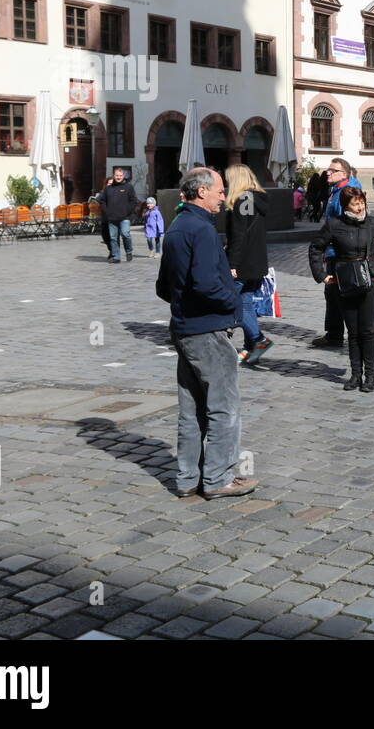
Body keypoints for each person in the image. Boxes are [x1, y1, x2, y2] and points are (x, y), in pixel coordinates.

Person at [155, 167, 257, 500]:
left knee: (191, 409)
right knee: (224, 408)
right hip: (208, 330)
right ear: (202, 192)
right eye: (219, 191)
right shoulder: (200, 229)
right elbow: (205, 283)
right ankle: (218, 479)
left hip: (185, 328)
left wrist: (185, 303)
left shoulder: (176, 227)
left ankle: (187, 479)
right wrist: (233, 304)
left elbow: (163, 287)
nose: (224, 197)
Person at [309, 186, 374, 393]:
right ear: (345, 205)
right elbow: (316, 248)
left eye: (362, 203)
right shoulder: (334, 224)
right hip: (345, 283)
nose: (360, 208)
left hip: (371, 283)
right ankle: (356, 374)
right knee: (353, 332)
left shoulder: (372, 223)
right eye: (355, 204)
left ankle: (370, 377)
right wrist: (322, 275)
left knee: (367, 331)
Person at [224, 164, 274, 365]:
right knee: (245, 302)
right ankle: (250, 347)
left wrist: (232, 263)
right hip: (256, 260)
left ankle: (258, 339)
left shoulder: (244, 199)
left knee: (235, 303)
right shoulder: (255, 198)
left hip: (243, 262)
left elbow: (239, 233)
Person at [310, 158, 362, 348]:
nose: (327, 173)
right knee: (336, 293)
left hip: (340, 253)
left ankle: (338, 335)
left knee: (336, 292)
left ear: (344, 174)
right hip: (336, 251)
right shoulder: (338, 189)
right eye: (327, 169)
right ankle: (336, 333)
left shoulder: (345, 194)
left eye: (332, 170)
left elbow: (347, 225)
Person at [97, 167, 140, 263]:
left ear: (123, 176)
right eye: (117, 175)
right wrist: (107, 211)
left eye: (120, 175)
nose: (118, 177)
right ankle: (116, 257)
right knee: (113, 238)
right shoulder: (108, 188)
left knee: (125, 235)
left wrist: (127, 211)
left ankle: (129, 251)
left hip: (125, 217)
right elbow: (101, 200)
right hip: (112, 218)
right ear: (114, 175)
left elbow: (134, 201)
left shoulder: (129, 187)